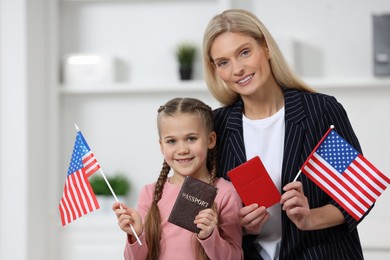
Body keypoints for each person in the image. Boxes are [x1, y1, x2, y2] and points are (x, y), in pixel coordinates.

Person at [202, 9, 369, 260]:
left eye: (244, 52)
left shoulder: (320, 112)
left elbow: (358, 192)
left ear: (266, 48)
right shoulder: (217, 127)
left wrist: (310, 218)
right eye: (224, 62)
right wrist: (239, 226)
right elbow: (202, 209)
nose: (237, 69)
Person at [112, 97, 244, 260]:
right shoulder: (150, 193)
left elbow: (236, 257)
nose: (182, 149)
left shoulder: (226, 193)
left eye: (191, 138)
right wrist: (137, 234)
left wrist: (210, 236)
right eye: (172, 141)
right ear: (161, 146)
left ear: (210, 140)